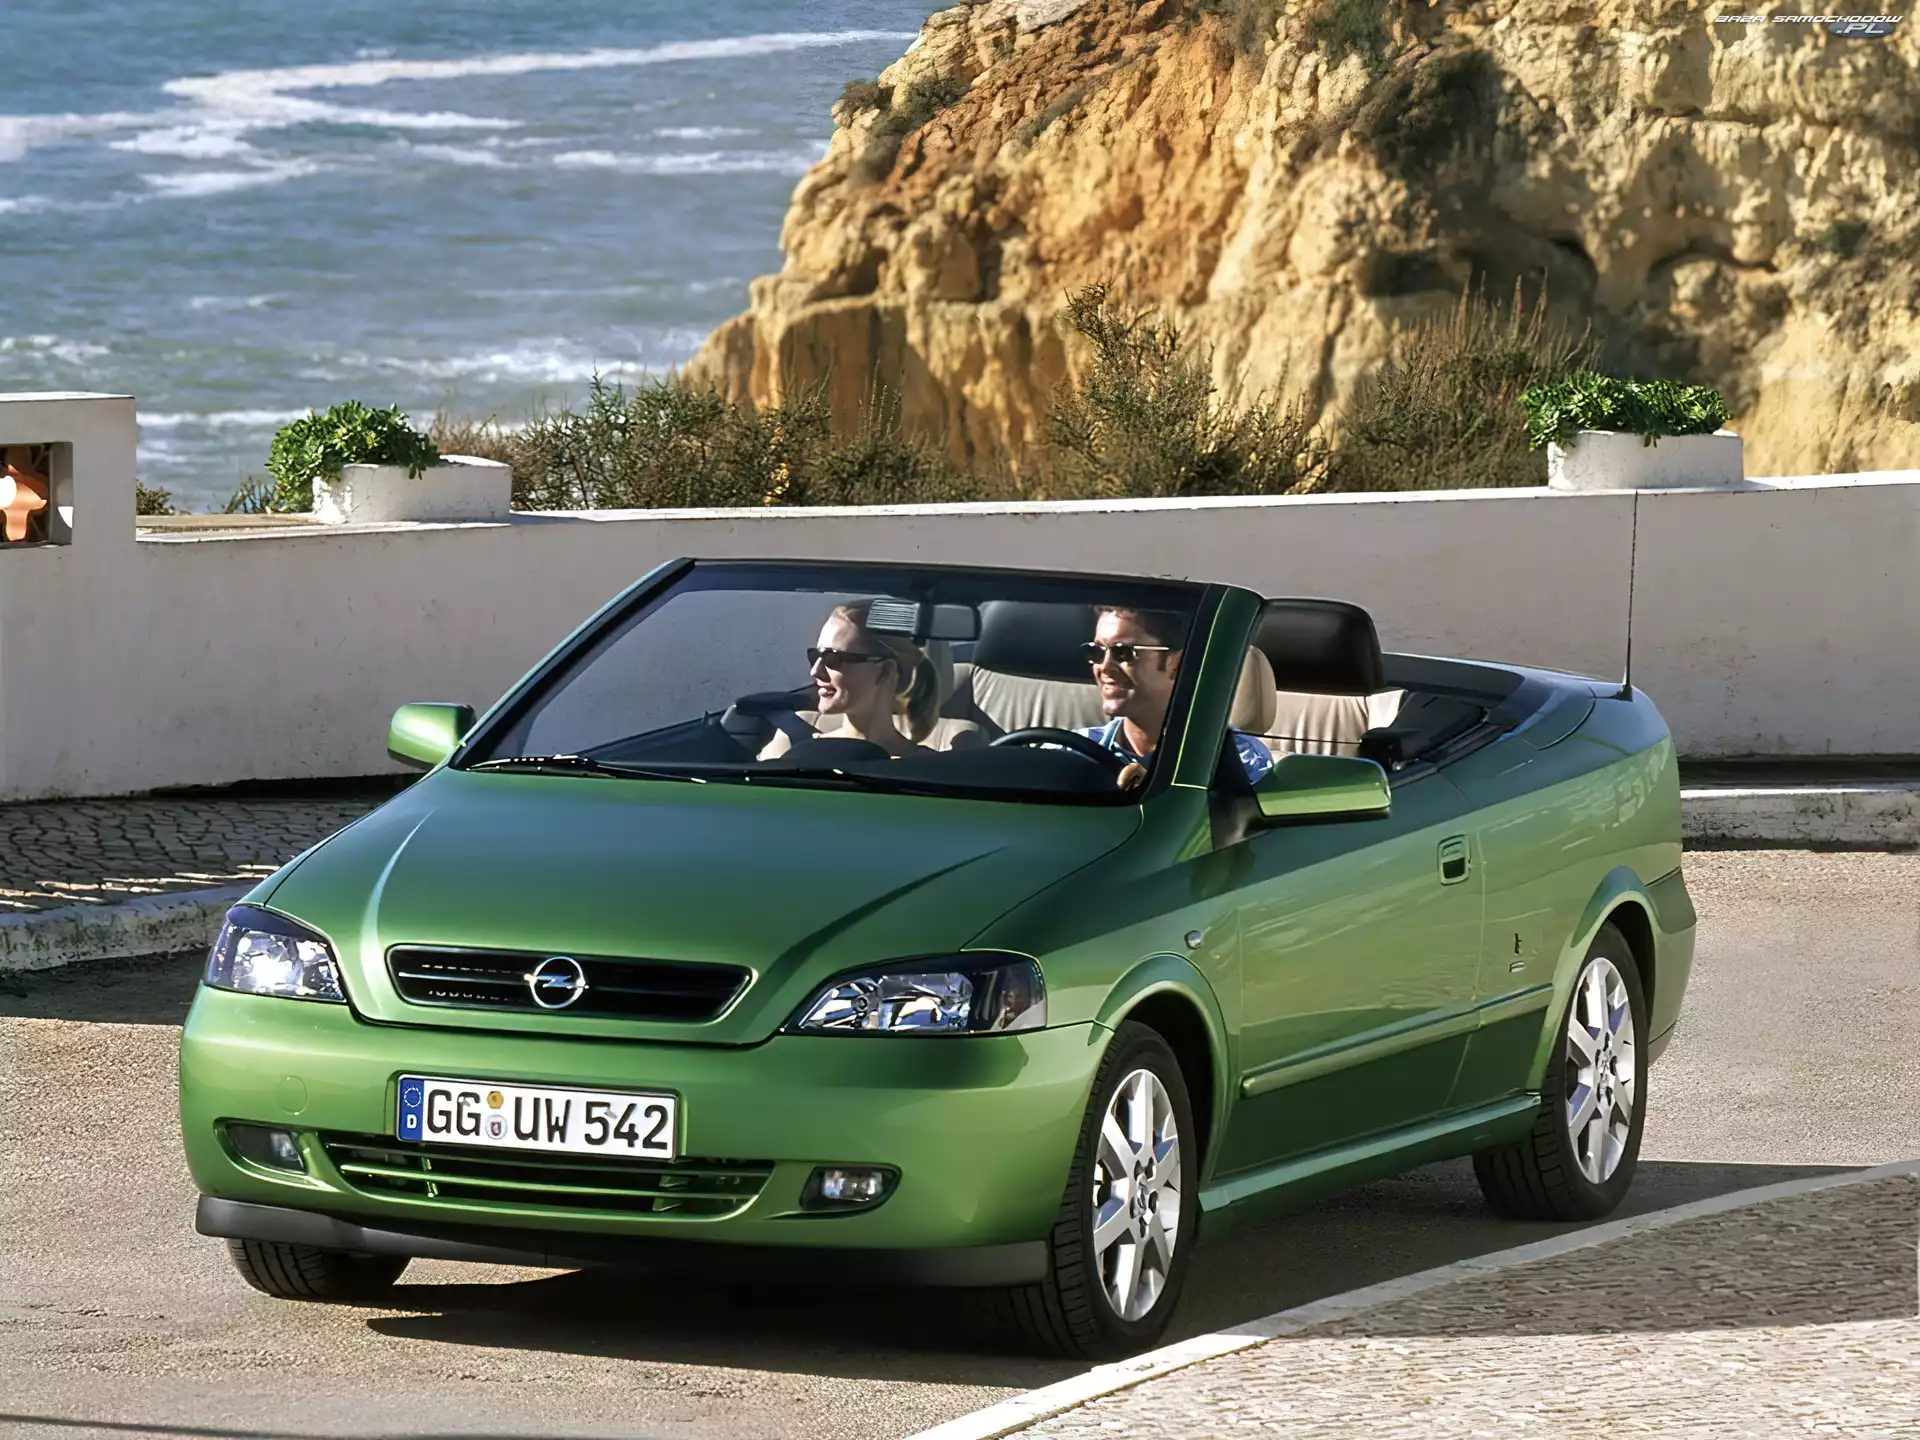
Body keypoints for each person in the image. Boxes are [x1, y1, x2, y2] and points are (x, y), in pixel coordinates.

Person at [1076, 606, 1273, 787]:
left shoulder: (1239, 763)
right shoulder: (1074, 751)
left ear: (1177, 663)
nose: (1104, 667)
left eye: (1123, 652)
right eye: (1095, 651)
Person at [759, 601, 940, 760]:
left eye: (832, 659)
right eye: (814, 656)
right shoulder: (788, 750)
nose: (815, 671)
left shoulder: (927, 770)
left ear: (885, 672)